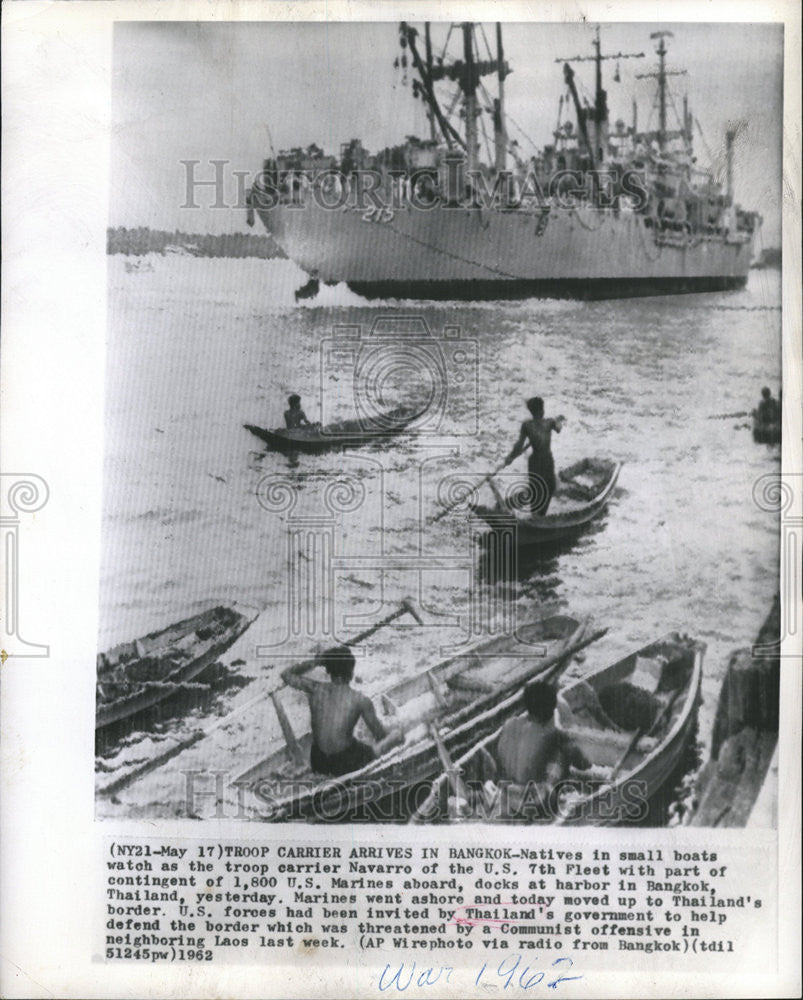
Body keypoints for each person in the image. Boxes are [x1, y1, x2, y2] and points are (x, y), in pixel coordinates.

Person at [281, 645, 389, 777]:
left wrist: (317, 661)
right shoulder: (360, 700)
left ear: (329, 672)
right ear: (351, 672)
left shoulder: (315, 689)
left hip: (319, 762)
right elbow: (380, 735)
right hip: (343, 764)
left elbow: (286, 674)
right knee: (395, 736)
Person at [495, 680, 589, 788]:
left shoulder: (509, 725)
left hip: (507, 791)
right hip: (534, 797)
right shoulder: (551, 735)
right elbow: (583, 763)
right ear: (551, 710)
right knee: (563, 750)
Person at [504, 397, 566, 514]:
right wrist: (559, 421)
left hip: (535, 461)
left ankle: (535, 515)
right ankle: (540, 516)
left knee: (536, 489)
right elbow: (558, 429)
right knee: (550, 487)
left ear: (532, 411)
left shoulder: (527, 425)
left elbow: (519, 446)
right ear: (541, 410)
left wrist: (510, 458)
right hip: (546, 460)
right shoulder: (549, 422)